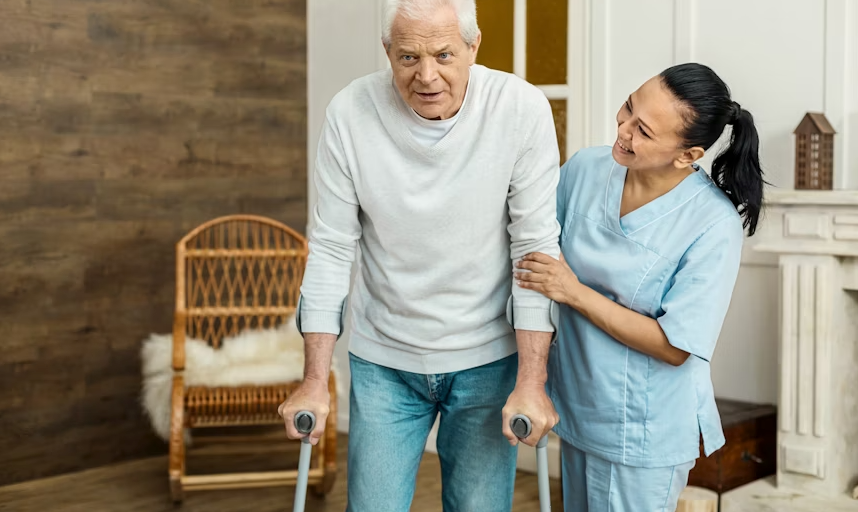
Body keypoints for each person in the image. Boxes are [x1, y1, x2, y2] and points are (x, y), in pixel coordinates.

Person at [278, 0, 563, 510]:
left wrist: (532, 380)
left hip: (485, 355)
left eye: (444, 55)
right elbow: (330, 248)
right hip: (385, 356)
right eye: (408, 57)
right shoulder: (349, 112)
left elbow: (534, 250)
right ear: (387, 51)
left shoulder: (520, 109)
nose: (427, 75)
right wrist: (314, 380)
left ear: (474, 47)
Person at [515, 63, 765, 511]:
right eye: (628, 107)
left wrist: (572, 291)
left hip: (644, 429)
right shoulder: (586, 170)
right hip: (576, 403)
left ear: (688, 155)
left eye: (644, 131)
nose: (623, 129)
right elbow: (534, 252)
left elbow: (676, 346)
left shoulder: (712, 224)